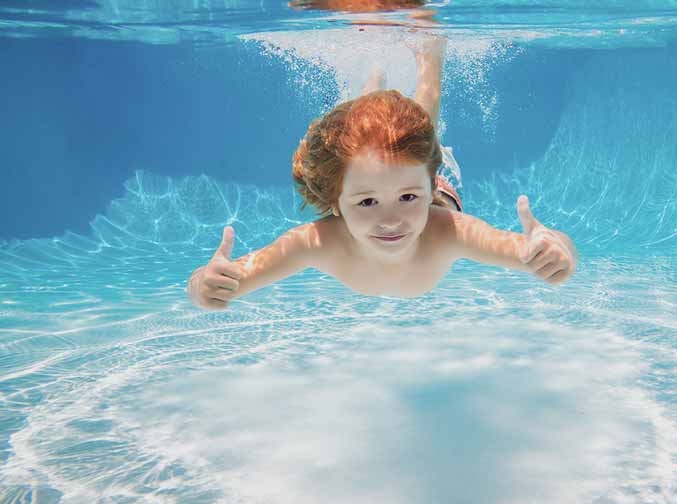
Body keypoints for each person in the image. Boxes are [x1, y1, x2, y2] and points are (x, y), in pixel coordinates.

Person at [187, 36, 578, 310]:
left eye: (408, 198)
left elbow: (527, 249)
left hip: (438, 189)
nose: (391, 220)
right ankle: (383, 78)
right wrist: (206, 284)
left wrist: (555, 252)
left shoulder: (447, 231)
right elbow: (222, 279)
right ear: (335, 203)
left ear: (427, 188)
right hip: (413, 178)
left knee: (418, 132)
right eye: (367, 202)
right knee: (371, 137)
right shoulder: (316, 241)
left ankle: (429, 57)